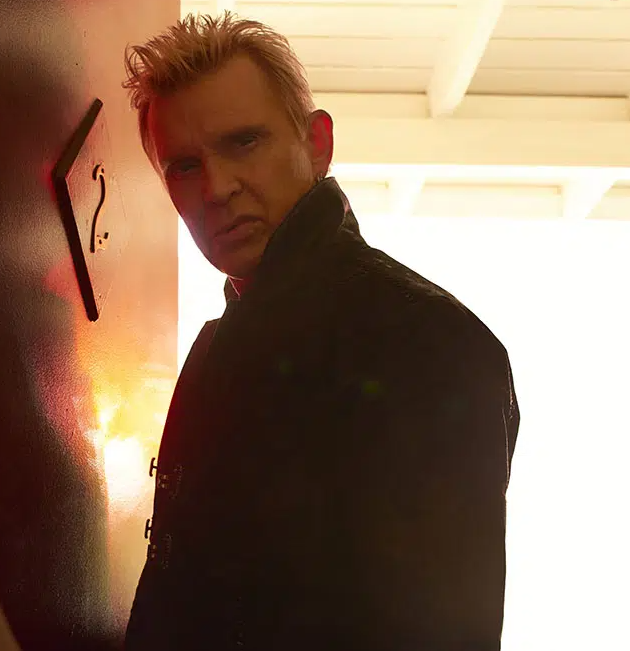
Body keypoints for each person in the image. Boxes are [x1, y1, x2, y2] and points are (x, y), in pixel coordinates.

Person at [121, 12, 520, 651]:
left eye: (243, 142)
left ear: (317, 144)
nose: (216, 188)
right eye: (185, 167)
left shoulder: (426, 341)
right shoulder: (228, 342)